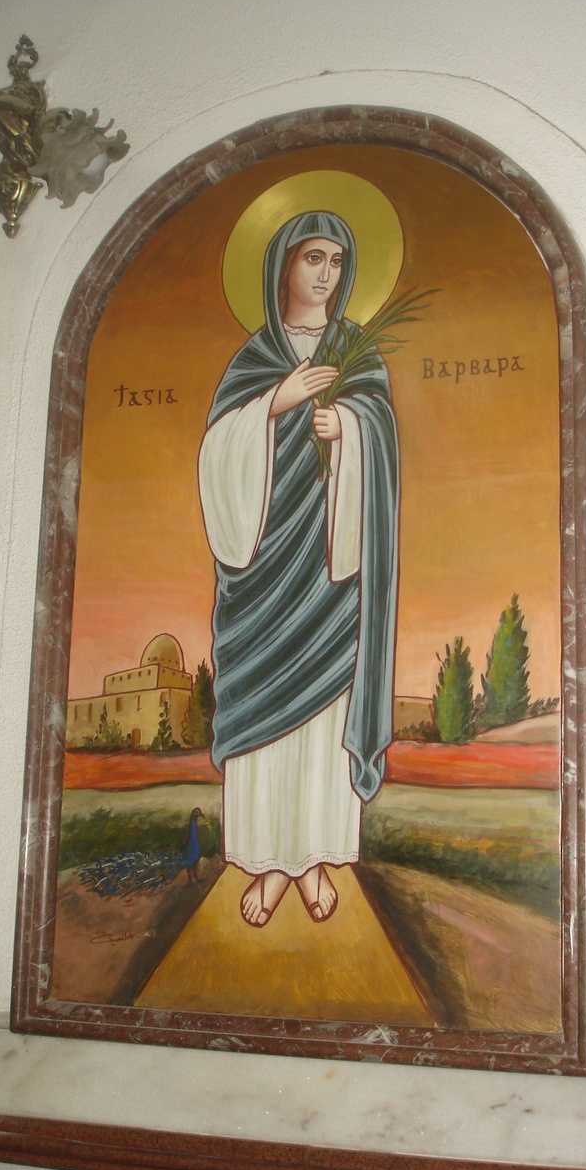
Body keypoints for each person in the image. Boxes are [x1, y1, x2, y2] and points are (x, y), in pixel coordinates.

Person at [198, 210, 399, 928]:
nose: (326, 274)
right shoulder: (255, 358)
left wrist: (351, 427)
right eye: (313, 257)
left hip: (328, 572)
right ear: (282, 263)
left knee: (320, 715)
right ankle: (266, 862)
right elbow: (216, 458)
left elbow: (384, 445)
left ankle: (312, 857)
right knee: (264, 712)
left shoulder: (356, 353)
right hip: (261, 575)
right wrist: (274, 404)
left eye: (337, 261)